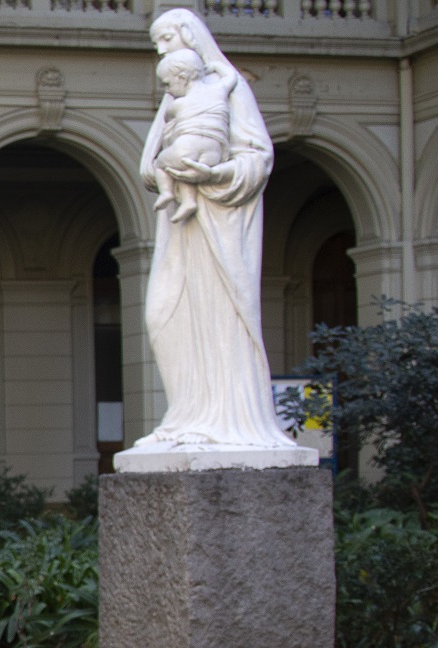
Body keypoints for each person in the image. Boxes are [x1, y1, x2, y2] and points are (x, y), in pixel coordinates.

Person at [131, 8, 295, 452]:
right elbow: (152, 161)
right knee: (161, 317)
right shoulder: (174, 94)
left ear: (188, 36)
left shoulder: (229, 84)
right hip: (181, 230)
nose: (161, 48)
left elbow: (257, 157)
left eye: (165, 38)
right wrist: (172, 170)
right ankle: (186, 414)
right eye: (157, 42)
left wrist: (213, 174)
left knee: (222, 321)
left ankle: (227, 420)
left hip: (219, 226)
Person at [152, 48, 237, 224]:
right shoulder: (219, 91)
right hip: (215, 151)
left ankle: (167, 192)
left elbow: (168, 121)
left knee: (162, 164)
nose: (167, 91)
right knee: (187, 171)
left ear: (182, 79)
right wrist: (214, 66)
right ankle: (189, 202)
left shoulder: (178, 104)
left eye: (167, 84)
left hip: (186, 145)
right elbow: (231, 77)